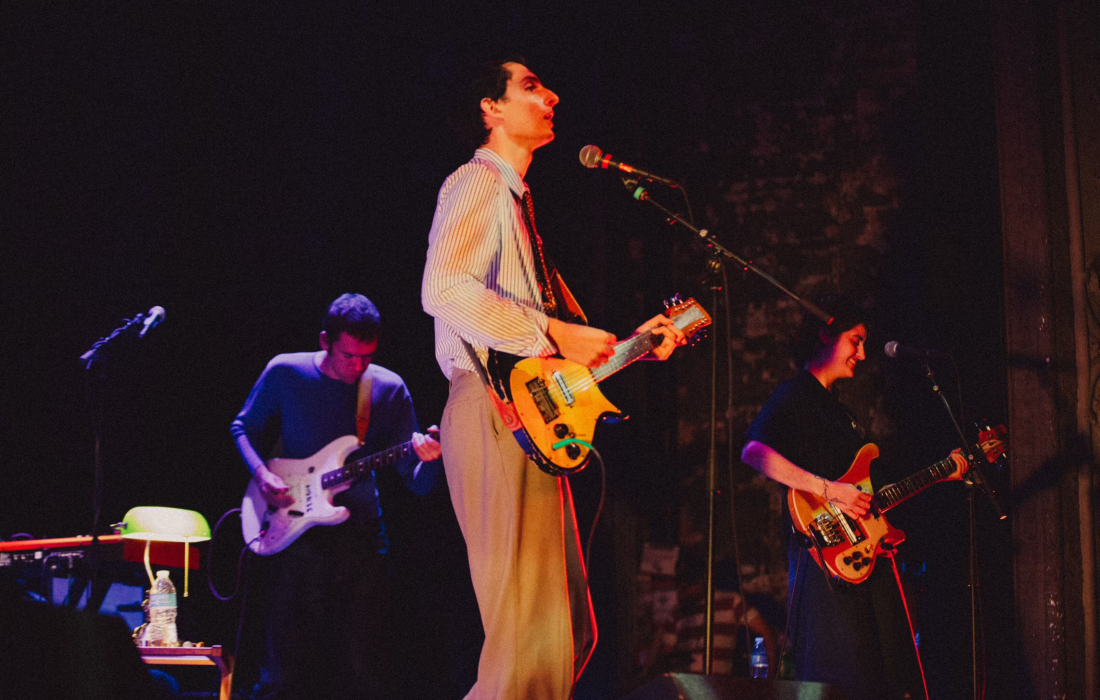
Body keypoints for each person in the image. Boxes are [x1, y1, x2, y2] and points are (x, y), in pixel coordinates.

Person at [421, 58, 685, 699]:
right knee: (525, 643)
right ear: (492, 107)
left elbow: (555, 357)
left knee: (554, 635)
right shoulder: (477, 182)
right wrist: (557, 333)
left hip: (529, 418)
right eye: (531, 87)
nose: (552, 96)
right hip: (492, 411)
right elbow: (444, 288)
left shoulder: (518, 207)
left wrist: (635, 348)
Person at [740, 300, 967, 700]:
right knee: (844, 672)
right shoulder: (794, 394)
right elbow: (754, 452)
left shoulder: (842, 413)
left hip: (863, 554)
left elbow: (870, 493)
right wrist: (829, 490)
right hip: (823, 556)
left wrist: (944, 470)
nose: (862, 354)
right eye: (855, 341)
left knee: (887, 672)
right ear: (826, 335)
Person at [230, 293, 441, 700]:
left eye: (368, 356)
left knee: (367, 670)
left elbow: (417, 482)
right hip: (295, 536)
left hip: (360, 541)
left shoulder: (388, 388)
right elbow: (242, 427)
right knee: (283, 673)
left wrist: (430, 458)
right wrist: (261, 474)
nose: (359, 366)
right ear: (325, 340)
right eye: (349, 355)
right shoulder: (285, 372)